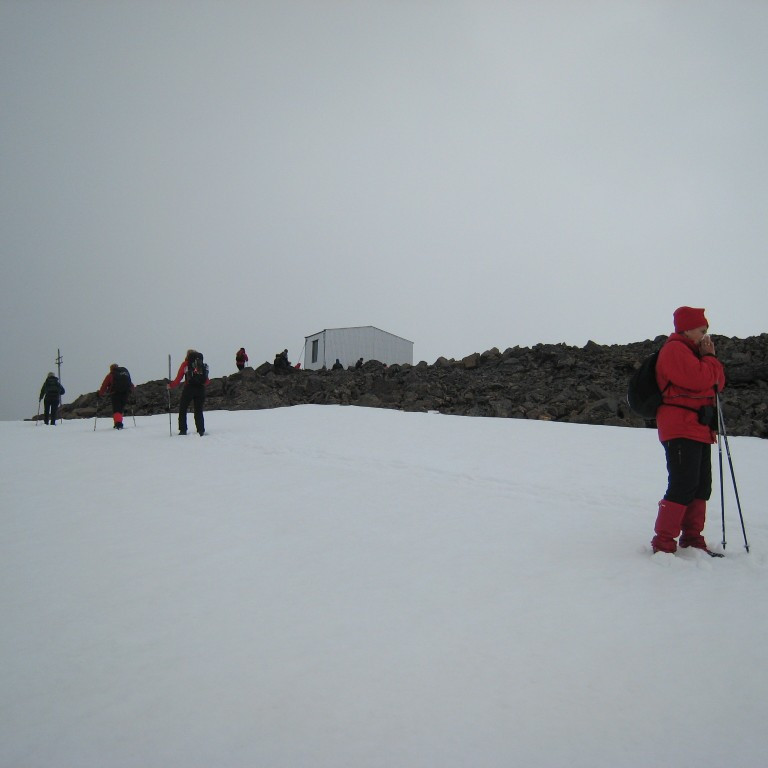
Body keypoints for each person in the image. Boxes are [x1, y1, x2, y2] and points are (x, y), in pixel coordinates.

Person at [651, 306, 726, 556]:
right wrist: (710, 359)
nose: (706, 335)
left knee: (701, 485)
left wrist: (708, 360)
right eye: (702, 330)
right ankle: (663, 543)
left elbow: (718, 384)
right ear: (686, 329)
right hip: (680, 427)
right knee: (683, 484)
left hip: (698, 427)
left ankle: (693, 539)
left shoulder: (695, 353)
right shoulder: (674, 350)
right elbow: (700, 380)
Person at [168, 350, 209, 436]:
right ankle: (201, 430)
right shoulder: (201, 365)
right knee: (198, 410)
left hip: (189, 388)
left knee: (183, 409)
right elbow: (207, 381)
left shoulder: (185, 364)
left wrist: (170, 386)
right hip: (200, 389)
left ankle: (183, 430)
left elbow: (178, 378)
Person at [98, 363, 134, 429]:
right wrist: (130, 391)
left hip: (115, 394)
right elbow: (131, 385)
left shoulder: (110, 375)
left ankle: (118, 423)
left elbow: (104, 386)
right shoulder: (124, 374)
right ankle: (118, 422)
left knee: (116, 409)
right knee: (120, 409)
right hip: (125, 393)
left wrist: (100, 394)